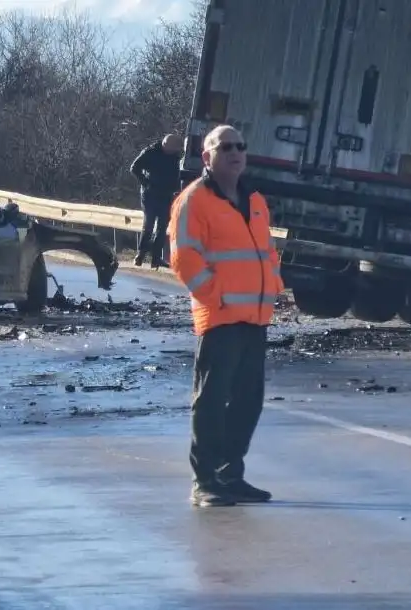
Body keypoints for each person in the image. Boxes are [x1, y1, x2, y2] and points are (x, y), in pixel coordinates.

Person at [168, 125, 283, 508]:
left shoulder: (254, 200)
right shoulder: (194, 200)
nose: (235, 152)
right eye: (225, 147)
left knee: (249, 400)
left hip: (255, 315)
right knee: (214, 399)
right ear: (207, 157)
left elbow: (266, 251)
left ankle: (231, 475)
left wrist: (274, 289)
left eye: (241, 146)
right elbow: (184, 258)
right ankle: (205, 481)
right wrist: (214, 298)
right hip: (220, 317)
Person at [130, 134, 183, 268]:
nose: (174, 151)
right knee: (149, 224)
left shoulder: (175, 157)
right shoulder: (151, 152)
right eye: (172, 149)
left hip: (166, 195)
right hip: (150, 194)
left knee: (162, 226)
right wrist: (145, 182)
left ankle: (156, 258)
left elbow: (176, 174)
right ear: (165, 146)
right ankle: (140, 254)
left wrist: (176, 188)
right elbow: (134, 168)